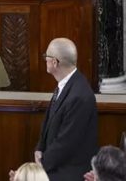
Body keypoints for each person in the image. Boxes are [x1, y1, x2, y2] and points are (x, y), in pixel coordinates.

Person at [35, 37, 98, 181]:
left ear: (54, 62)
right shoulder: (66, 84)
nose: (45, 59)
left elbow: (66, 142)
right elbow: (48, 123)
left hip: (68, 171)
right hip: (56, 164)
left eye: (46, 56)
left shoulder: (79, 95)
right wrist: (39, 149)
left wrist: (41, 165)